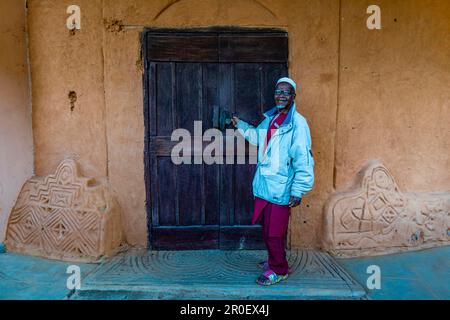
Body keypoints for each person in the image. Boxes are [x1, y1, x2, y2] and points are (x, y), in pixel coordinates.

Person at [232, 77, 314, 286]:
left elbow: (303, 159)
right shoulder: (272, 118)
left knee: (274, 231)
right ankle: (274, 259)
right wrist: (239, 124)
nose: (281, 95)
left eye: (287, 92)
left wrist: (298, 190)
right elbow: (257, 137)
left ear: (293, 96)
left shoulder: (298, 123)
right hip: (266, 185)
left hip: (282, 187)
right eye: (279, 92)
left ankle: (279, 269)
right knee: (266, 227)